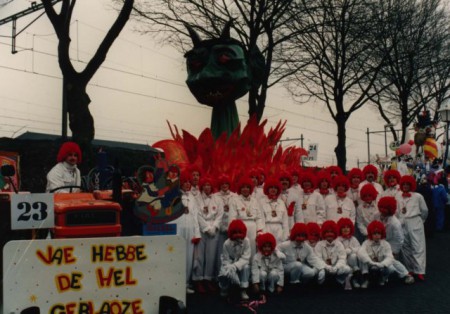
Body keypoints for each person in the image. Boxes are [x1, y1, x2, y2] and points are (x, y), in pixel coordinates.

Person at [373, 196, 415, 285]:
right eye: (382, 207)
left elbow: (399, 239)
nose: (383, 210)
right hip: (378, 242)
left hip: (391, 244)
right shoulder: (376, 215)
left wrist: (394, 252)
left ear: (391, 209)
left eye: (386, 208)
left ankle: (405, 275)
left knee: (390, 260)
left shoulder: (395, 223)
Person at [171, 172, 201, 294]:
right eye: (185, 182)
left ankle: (186, 284)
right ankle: (175, 284)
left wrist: (197, 233)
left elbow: (195, 216)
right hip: (179, 230)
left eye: (189, 182)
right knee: (177, 257)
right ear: (180, 183)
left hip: (190, 230)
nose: (188, 184)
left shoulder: (193, 198)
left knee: (189, 257)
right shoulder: (174, 196)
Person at [193, 176, 223, 293]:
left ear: (212, 187)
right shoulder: (197, 198)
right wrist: (206, 228)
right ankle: (198, 280)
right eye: (205, 185)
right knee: (200, 256)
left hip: (214, 230)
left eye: (209, 185)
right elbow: (197, 215)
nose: (207, 187)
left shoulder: (217, 199)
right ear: (202, 186)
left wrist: (214, 227)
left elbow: (220, 214)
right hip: (202, 230)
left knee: (211, 256)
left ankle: (208, 279)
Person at [395, 175, 428, 281]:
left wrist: (419, 221)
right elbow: (396, 211)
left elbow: (424, 211)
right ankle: (409, 269)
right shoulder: (397, 196)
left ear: (411, 185)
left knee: (418, 246)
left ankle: (419, 271)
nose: (405, 186)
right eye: (403, 184)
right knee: (405, 247)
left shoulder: (418, 196)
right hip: (402, 222)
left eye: (407, 184)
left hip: (415, 221)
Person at [229, 177, 264, 259]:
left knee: (252, 251)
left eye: (247, 187)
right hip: (240, 229)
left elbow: (259, 217)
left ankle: (252, 269)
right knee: (240, 252)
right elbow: (232, 218)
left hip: (253, 228)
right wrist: (234, 232)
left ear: (250, 189)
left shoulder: (255, 201)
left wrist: (259, 231)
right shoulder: (234, 200)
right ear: (240, 188)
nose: (245, 189)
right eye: (243, 187)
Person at [218, 219, 251, 300]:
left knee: (246, 267)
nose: (238, 235)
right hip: (229, 263)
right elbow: (226, 259)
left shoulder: (247, 241)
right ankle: (224, 288)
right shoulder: (226, 243)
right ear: (231, 233)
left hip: (241, 263)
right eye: (235, 233)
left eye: (240, 232)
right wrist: (230, 267)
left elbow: (246, 258)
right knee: (224, 271)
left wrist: (235, 266)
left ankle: (243, 289)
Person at [314, 220, 351, 289]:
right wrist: (326, 267)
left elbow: (342, 258)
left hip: (335, 268)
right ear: (324, 233)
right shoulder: (319, 244)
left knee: (347, 269)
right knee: (319, 272)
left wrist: (336, 267)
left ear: (335, 233)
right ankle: (320, 286)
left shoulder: (339, 244)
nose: (329, 234)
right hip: (323, 268)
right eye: (327, 232)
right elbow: (317, 259)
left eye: (331, 232)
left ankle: (338, 282)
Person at [357, 220, 394, 288]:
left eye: (378, 233)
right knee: (361, 258)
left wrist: (381, 265)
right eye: (374, 233)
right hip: (370, 265)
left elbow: (390, 257)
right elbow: (361, 253)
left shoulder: (386, 244)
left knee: (391, 268)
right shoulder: (366, 243)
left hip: (381, 265)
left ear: (381, 233)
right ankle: (366, 279)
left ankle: (383, 279)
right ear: (371, 234)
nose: (377, 235)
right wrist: (370, 262)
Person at [260, 177, 289, 244]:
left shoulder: (281, 202)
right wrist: (263, 234)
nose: (273, 189)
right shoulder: (262, 202)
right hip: (267, 228)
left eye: (275, 188)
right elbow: (261, 220)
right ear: (267, 189)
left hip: (279, 230)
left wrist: (286, 235)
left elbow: (285, 221)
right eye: (271, 187)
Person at [336, 218, 361, 288]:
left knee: (353, 256)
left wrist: (351, 249)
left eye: (347, 227)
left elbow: (359, 248)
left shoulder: (353, 239)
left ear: (351, 228)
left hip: (352, 261)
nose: (346, 229)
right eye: (343, 227)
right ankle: (347, 280)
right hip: (342, 260)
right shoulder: (338, 239)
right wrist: (345, 251)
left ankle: (354, 279)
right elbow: (337, 251)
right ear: (340, 228)